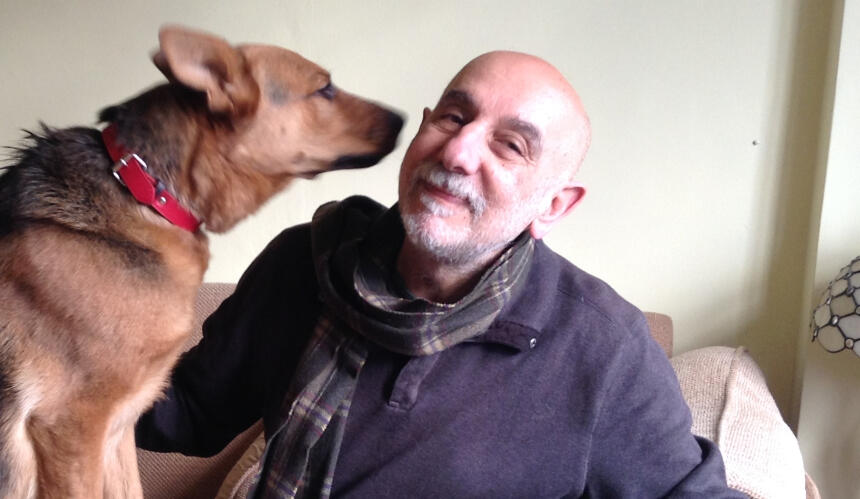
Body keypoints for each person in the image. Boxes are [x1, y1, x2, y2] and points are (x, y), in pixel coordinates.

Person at [137, 51, 744, 498]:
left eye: (511, 146)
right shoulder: (304, 262)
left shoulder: (602, 348)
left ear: (553, 206)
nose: (458, 152)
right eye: (454, 117)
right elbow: (187, 411)